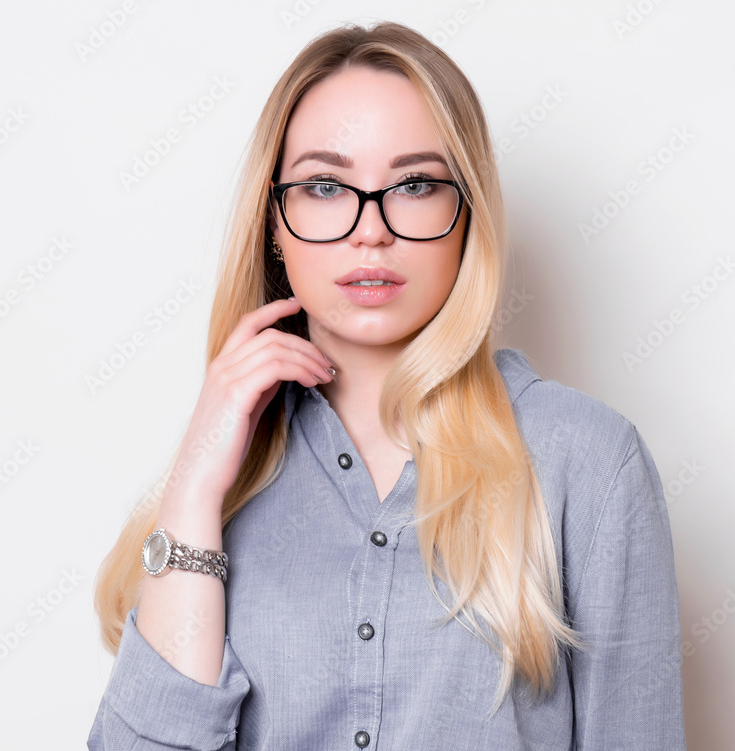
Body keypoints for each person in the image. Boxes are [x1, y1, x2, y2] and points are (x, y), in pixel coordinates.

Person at [87, 20, 686, 751]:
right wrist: (192, 490)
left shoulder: (588, 462)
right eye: (325, 185)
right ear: (275, 220)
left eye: (415, 184)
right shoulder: (223, 477)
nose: (371, 229)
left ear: (466, 214)